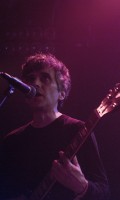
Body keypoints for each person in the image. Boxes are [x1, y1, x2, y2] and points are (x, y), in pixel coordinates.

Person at [0, 53, 110, 200]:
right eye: (31, 79)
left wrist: (82, 186)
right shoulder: (12, 141)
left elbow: (104, 192)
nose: (36, 84)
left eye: (45, 78)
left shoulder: (78, 130)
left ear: (62, 93)